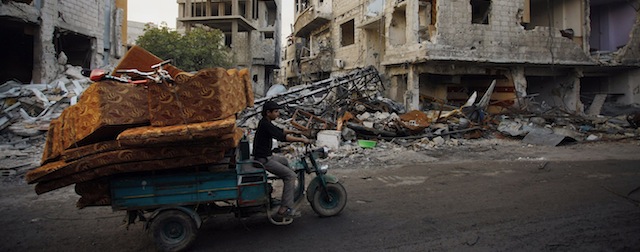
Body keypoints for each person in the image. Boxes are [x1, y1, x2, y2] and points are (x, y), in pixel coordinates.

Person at [253, 101, 310, 217]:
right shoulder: (265, 124)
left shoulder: (266, 122)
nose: (278, 114)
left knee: (284, 161)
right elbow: (282, 137)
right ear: (268, 113)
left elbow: (279, 130)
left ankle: (289, 190)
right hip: (263, 160)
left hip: (267, 156)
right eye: (276, 112)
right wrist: (301, 140)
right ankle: (285, 208)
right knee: (290, 175)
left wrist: (295, 131)